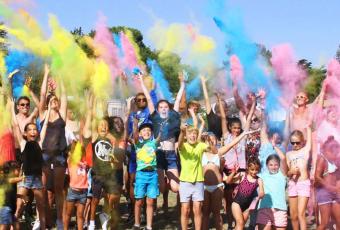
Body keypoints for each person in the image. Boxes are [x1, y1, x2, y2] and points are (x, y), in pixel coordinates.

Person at [11, 97, 51, 230]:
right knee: (18, 207)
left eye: (35, 129)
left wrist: (49, 109)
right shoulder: (23, 144)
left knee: (41, 208)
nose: (33, 131)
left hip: (37, 179)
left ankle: (43, 227)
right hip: (25, 179)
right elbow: (16, 125)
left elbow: (44, 125)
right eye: (30, 130)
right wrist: (12, 107)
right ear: (26, 133)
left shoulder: (39, 143)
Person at [38, 65, 68, 229]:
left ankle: (60, 220)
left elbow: (63, 95)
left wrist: (61, 78)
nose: (54, 102)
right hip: (44, 156)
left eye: (55, 100)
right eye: (51, 100)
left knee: (58, 189)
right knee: (43, 190)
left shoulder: (62, 114)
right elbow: (42, 95)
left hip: (59, 156)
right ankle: (45, 221)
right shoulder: (43, 114)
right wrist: (47, 73)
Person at [132, 122, 161, 230]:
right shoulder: (138, 143)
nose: (147, 132)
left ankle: (149, 226)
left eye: (149, 130)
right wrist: (135, 125)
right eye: (144, 130)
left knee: (150, 201)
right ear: (140, 133)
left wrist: (161, 127)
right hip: (141, 175)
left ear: (151, 133)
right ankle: (137, 224)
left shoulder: (154, 143)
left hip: (152, 175)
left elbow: (159, 136)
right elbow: (134, 136)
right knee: (139, 201)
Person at [256, 145, 288, 229]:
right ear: (266, 165)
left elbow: (283, 158)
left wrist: (274, 146)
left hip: (280, 209)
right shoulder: (262, 175)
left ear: (279, 165)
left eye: (276, 165)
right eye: (271, 165)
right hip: (264, 208)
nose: (273, 167)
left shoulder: (282, 175)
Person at [286, 127, 312, 230]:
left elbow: (309, 139)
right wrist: (291, 172)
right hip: (293, 184)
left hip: (303, 184)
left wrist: (308, 127)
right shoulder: (288, 154)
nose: (295, 145)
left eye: (297, 142)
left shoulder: (305, 150)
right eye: (292, 143)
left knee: (301, 214)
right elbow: (287, 172)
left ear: (302, 142)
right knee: (293, 215)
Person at [231, 157, 264, 230]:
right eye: (252, 169)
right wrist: (234, 173)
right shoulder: (243, 175)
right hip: (236, 203)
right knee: (240, 223)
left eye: (256, 170)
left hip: (247, 207)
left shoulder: (259, 180)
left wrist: (261, 194)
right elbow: (229, 181)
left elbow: (262, 192)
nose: (254, 172)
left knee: (240, 226)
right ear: (248, 168)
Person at [314, 136, 340, 230]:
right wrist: (329, 187)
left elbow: (337, 176)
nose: (336, 155)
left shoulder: (336, 161)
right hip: (324, 193)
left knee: (339, 221)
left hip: (335, 193)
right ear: (327, 151)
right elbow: (317, 177)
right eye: (335, 153)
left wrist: (337, 189)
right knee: (324, 223)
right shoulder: (322, 159)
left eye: (337, 153)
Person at [0, 161, 23, 230]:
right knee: (5, 226)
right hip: (5, 208)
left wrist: (21, 196)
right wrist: (23, 178)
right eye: (19, 169)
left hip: (11, 208)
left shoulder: (13, 182)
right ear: (12, 171)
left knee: (16, 226)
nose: (20, 171)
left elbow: (11, 194)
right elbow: (10, 180)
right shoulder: (5, 179)